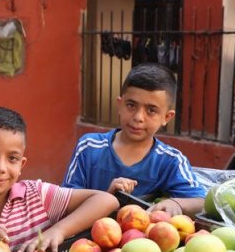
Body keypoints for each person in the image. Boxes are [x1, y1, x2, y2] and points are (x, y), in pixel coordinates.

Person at [0, 107, 118, 252]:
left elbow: (106, 200)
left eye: (12, 158)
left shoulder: (36, 195)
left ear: (22, 164)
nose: (0, 167)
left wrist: (58, 231)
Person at [61, 63, 206, 216]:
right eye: (131, 105)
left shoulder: (171, 160)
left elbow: (200, 201)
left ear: (167, 117)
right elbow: (64, 201)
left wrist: (175, 202)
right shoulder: (89, 147)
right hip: (85, 236)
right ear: (120, 104)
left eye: (151, 110)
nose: (138, 117)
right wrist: (106, 197)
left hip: (144, 237)